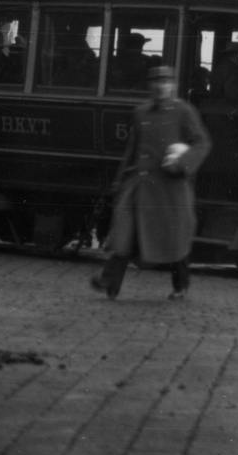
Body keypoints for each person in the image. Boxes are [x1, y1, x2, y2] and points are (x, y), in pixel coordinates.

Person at [89, 65, 212, 300]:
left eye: (165, 82)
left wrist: (181, 163)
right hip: (142, 185)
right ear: (150, 86)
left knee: (174, 238)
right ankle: (109, 282)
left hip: (171, 188)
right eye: (156, 83)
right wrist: (119, 181)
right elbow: (132, 151)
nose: (160, 87)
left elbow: (202, 143)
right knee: (125, 232)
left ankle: (181, 284)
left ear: (173, 86)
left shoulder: (184, 111)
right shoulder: (141, 112)